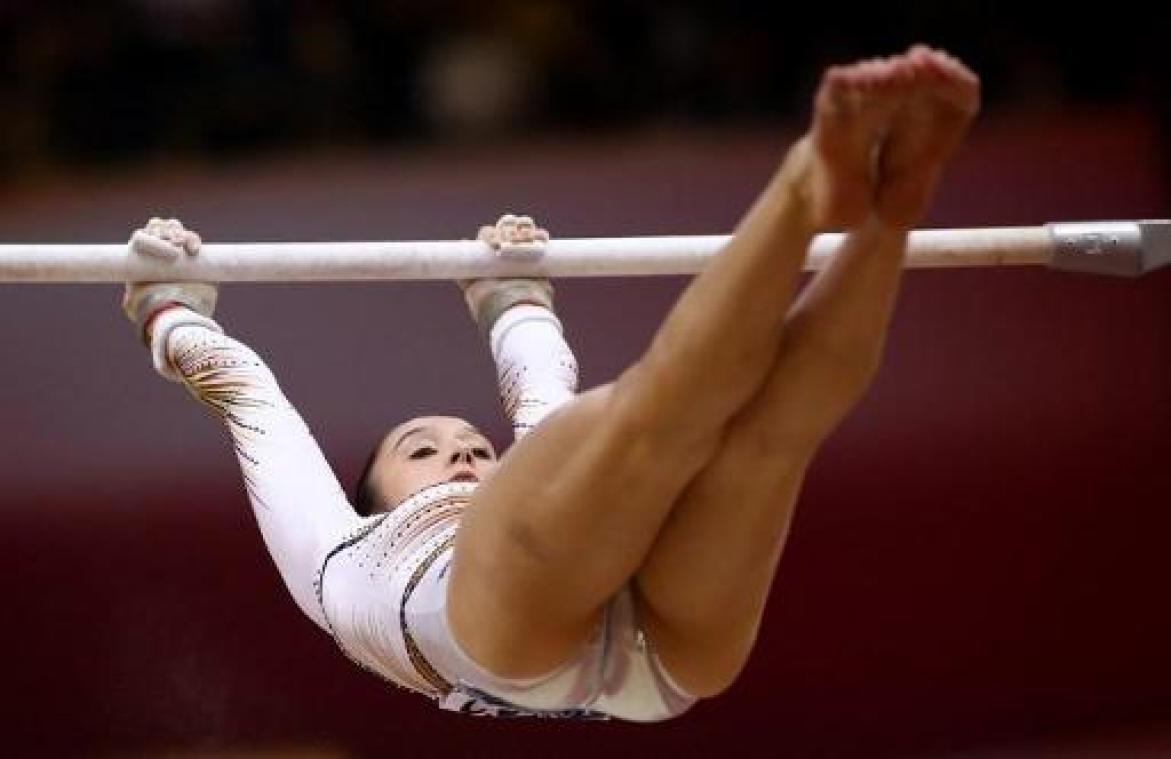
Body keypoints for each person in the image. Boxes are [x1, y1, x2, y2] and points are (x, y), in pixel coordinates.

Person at [121, 45, 979, 721]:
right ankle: (802, 182)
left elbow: (539, 392)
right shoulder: (341, 556)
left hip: (556, 614)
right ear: (373, 498)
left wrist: (511, 297)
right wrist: (167, 306)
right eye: (422, 449)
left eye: (472, 447)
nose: (461, 455)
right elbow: (249, 400)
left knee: (758, 436)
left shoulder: (506, 503)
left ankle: (890, 207)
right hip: (639, 659)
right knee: (671, 427)